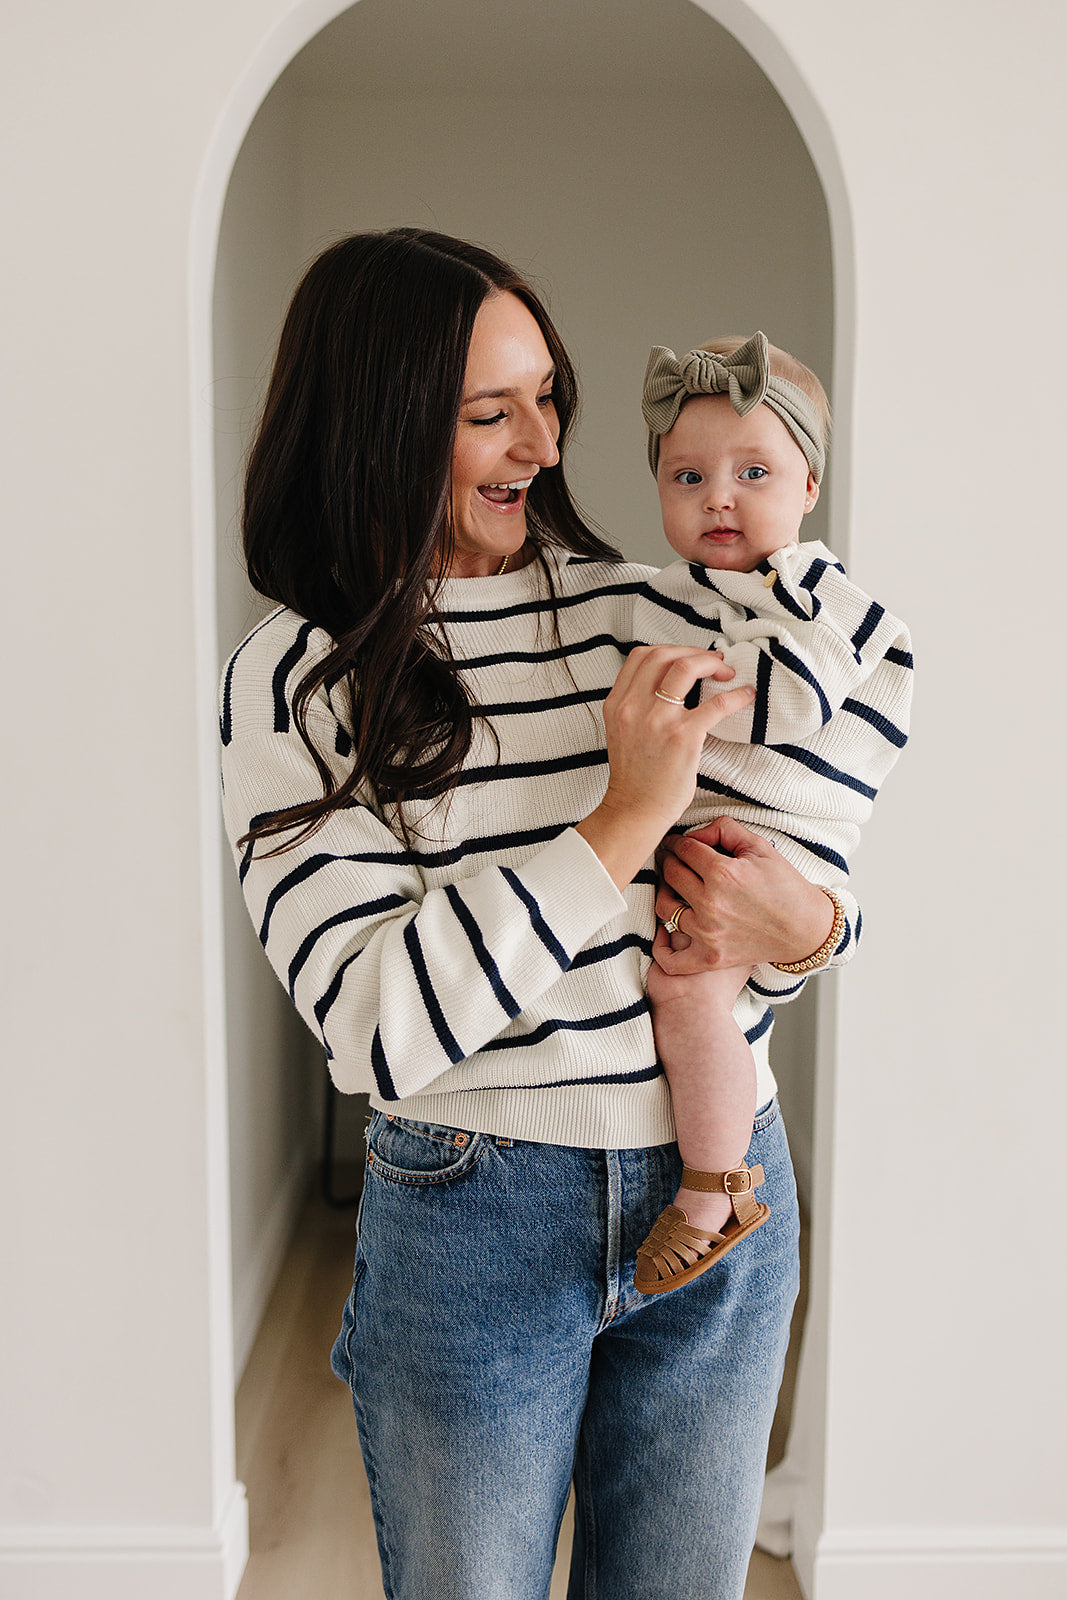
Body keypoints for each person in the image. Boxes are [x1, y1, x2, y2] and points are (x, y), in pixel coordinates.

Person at [219, 229, 859, 1600]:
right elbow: (377, 1028)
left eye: (546, 397)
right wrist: (618, 821)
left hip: (723, 1191)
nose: (541, 443)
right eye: (486, 413)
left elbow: (786, 856)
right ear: (379, 426)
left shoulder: (648, 609)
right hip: (474, 1220)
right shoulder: (297, 684)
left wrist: (800, 930)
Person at [631, 333, 913, 1294]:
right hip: (720, 833)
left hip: (783, 838)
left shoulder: (828, 597)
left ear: (806, 488)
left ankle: (715, 1191)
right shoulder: (682, 596)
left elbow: (790, 705)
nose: (718, 495)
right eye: (687, 474)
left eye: (752, 470)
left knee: (690, 992)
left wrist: (678, 692)